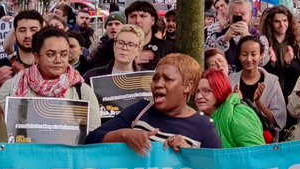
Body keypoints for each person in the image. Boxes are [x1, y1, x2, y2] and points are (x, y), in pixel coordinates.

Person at [87, 54, 222, 150]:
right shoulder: (139, 110)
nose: (158, 84)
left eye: (167, 79)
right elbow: (90, 140)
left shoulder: (204, 127)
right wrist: (124, 135)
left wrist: (190, 153)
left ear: (188, 86)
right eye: (156, 78)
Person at [0, 27, 101, 134]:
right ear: (36, 57)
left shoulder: (82, 91)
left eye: (64, 54)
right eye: (50, 54)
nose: (58, 60)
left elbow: (93, 136)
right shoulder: (13, 86)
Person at [228, 35, 288, 132]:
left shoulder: (272, 81)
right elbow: (223, 113)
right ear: (239, 56)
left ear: (261, 55)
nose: (249, 59)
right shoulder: (231, 79)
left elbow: (278, 121)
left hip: (264, 139)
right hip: (235, 137)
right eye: (244, 54)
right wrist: (234, 101)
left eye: (253, 54)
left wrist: (259, 103)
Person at [195, 69, 265, 148]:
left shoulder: (238, 114)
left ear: (219, 90)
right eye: (197, 91)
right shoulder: (204, 118)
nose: (199, 96)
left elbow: (257, 154)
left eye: (206, 91)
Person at [0, 10, 44, 94]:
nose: (27, 35)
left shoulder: (50, 67)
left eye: (33, 30)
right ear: (15, 33)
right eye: (22, 30)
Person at [205, 0, 267, 68]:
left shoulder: (260, 38)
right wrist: (224, 40)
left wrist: (248, 38)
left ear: (250, 16)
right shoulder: (216, 36)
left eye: (243, 14)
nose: (238, 17)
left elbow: (262, 62)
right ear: (228, 16)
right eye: (234, 14)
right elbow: (208, 59)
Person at [261, 5, 300, 99]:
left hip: (291, 96)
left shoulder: (297, 45)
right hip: (268, 96)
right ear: (270, 23)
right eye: (277, 21)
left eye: (284, 20)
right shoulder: (263, 44)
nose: (282, 25)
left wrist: (290, 63)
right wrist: (271, 63)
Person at [125, 0, 173, 67]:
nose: (138, 21)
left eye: (143, 16)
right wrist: (129, 63)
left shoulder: (167, 49)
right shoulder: (113, 45)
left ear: (152, 20)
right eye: (133, 16)